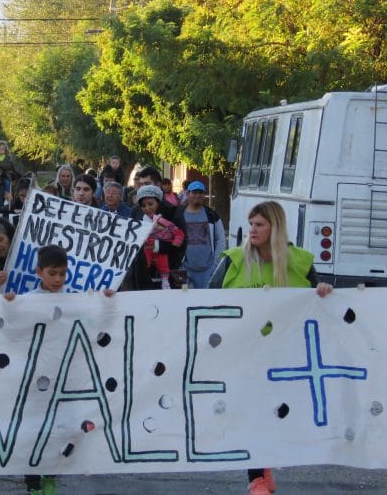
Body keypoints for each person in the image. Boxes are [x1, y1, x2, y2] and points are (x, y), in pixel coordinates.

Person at [208, 201, 333, 495]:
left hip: (287, 353)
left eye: (259, 225)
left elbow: (317, 300)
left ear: (275, 228)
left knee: (279, 411)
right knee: (252, 411)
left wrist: (324, 291)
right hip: (245, 353)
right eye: (251, 223)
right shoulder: (233, 260)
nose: (252, 230)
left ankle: (264, 468)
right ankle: (256, 477)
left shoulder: (300, 262)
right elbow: (205, 299)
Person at [2, 244, 67, 495]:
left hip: (63, 376)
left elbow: (95, 324)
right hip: (34, 377)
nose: (58, 279)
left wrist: (106, 301)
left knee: (58, 429)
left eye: (63, 273)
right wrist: (10, 307)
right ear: (39, 272)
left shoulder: (75, 300)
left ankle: (50, 477)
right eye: (53, 273)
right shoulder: (28, 301)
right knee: (33, 428)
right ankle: (33, 483)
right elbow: (11, 332)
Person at [178, 181, 226, 289]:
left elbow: (220, 239)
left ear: (204, 195)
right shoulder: (179, 215)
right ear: (188, 194)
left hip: (208, 270)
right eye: (194, 192)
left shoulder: (212, 215)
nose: (197, 195)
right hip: (185, 269)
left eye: (200, 192)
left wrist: (216, 264)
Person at [136, 185, 185, 289]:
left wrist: (158, 245)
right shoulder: (136, 214)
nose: (147, 208)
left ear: (158, 202)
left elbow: (181, 241)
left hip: (169, 269)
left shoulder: (172, 213)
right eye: (143, 205)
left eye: (150, 204)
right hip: (144, 272)